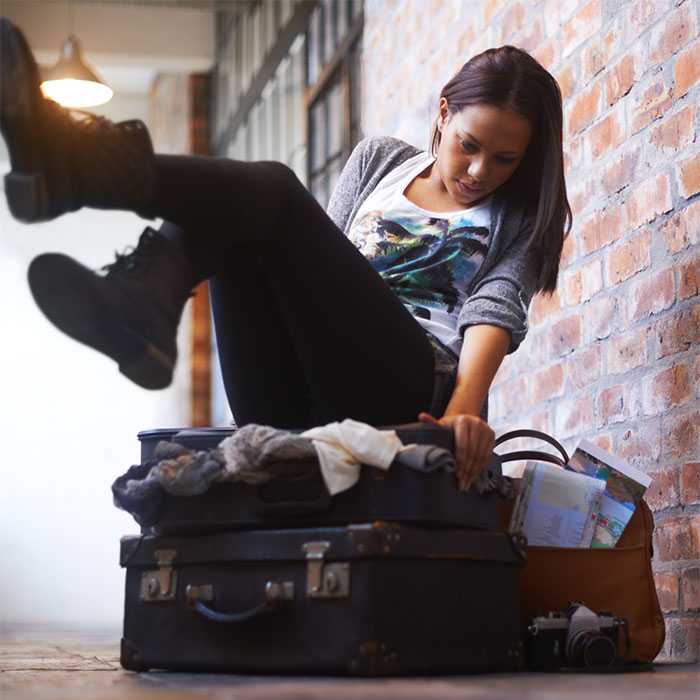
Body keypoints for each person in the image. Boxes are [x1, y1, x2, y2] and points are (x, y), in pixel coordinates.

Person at [0, 18, 571, 492]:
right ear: (443, 114)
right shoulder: (379, 162)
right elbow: (319, 267)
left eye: (504, 159)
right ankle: (142, 302)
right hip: (297, 389)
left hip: (408, 398)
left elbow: (492, 311)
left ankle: (81, 174)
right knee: (243, 213)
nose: (478, 172)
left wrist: (462, 413)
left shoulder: (519, 217)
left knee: (270, 189)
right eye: (468, 146)